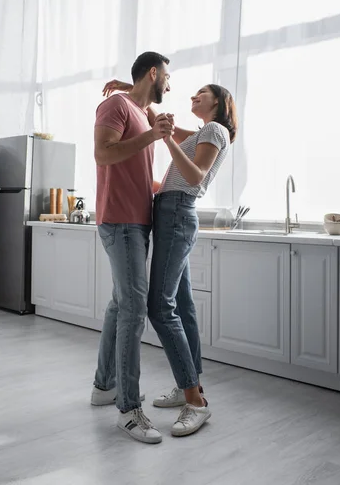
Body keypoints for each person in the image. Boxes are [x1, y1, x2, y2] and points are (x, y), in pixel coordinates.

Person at [103, 79, 237, 438]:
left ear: (220, 101)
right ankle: (187, 386)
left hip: (177, 212)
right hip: (170, 211)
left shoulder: (214, 128)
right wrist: (133, 87)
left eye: (202, 93)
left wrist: (164, 139)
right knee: (183, 303)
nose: (194, 96)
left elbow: (195, 176)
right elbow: (155, 115)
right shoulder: (200, 131)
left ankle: (196, 400)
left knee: (160, 308)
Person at [90, 51, 173, 445]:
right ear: (153, 73)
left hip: (135, 223)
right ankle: (127, 410)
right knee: (133, 309)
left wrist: (170, 191)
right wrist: (151, 134)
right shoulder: (116, 105)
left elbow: (139, 175)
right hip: (120, 222)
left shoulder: (139, 113)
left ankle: (105, 386)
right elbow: (103, 154)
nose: (169, 86)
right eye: (167, 77)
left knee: (118, 304)